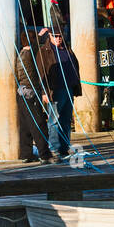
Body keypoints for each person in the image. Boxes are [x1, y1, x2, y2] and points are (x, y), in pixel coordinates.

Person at [16, 29, 55, 163]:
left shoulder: (20, 53)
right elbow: (34, 47)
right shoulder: (28, 53)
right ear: (32, 41)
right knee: (38, 124)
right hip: (31, 93)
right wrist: (41, 35)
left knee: (25, 125)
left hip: (21, 93)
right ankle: (45, 155)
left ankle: (26, 154)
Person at [44, 28, 81, 159]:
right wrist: (44, 92)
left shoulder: (67, 49)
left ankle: (65, 147)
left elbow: (75, 65)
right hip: (55, 90)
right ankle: (54, 148)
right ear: (49, 36)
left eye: (60, 36)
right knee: (53, 120)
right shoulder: (45, 51)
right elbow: (41, 72)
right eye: (55, 36)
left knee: (66, 119)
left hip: (69, 88)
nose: (58, 38)